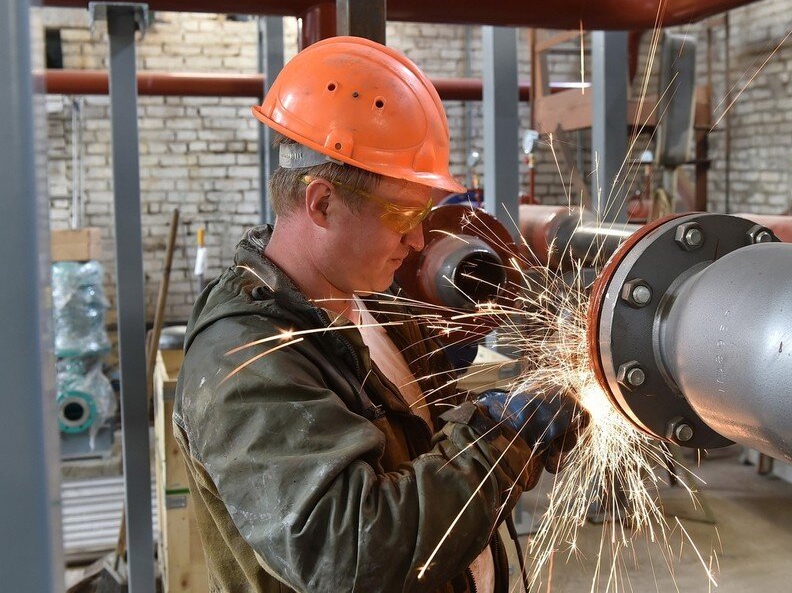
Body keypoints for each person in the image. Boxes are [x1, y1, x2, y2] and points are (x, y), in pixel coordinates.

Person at [173, 36, 581, 593]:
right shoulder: (244, 361)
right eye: (403, 214)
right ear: (322, 203)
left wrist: (530, 408)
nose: (418, 239)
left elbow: (423, 447)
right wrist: (503, 438)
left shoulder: (369, 299)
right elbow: (352, 553)